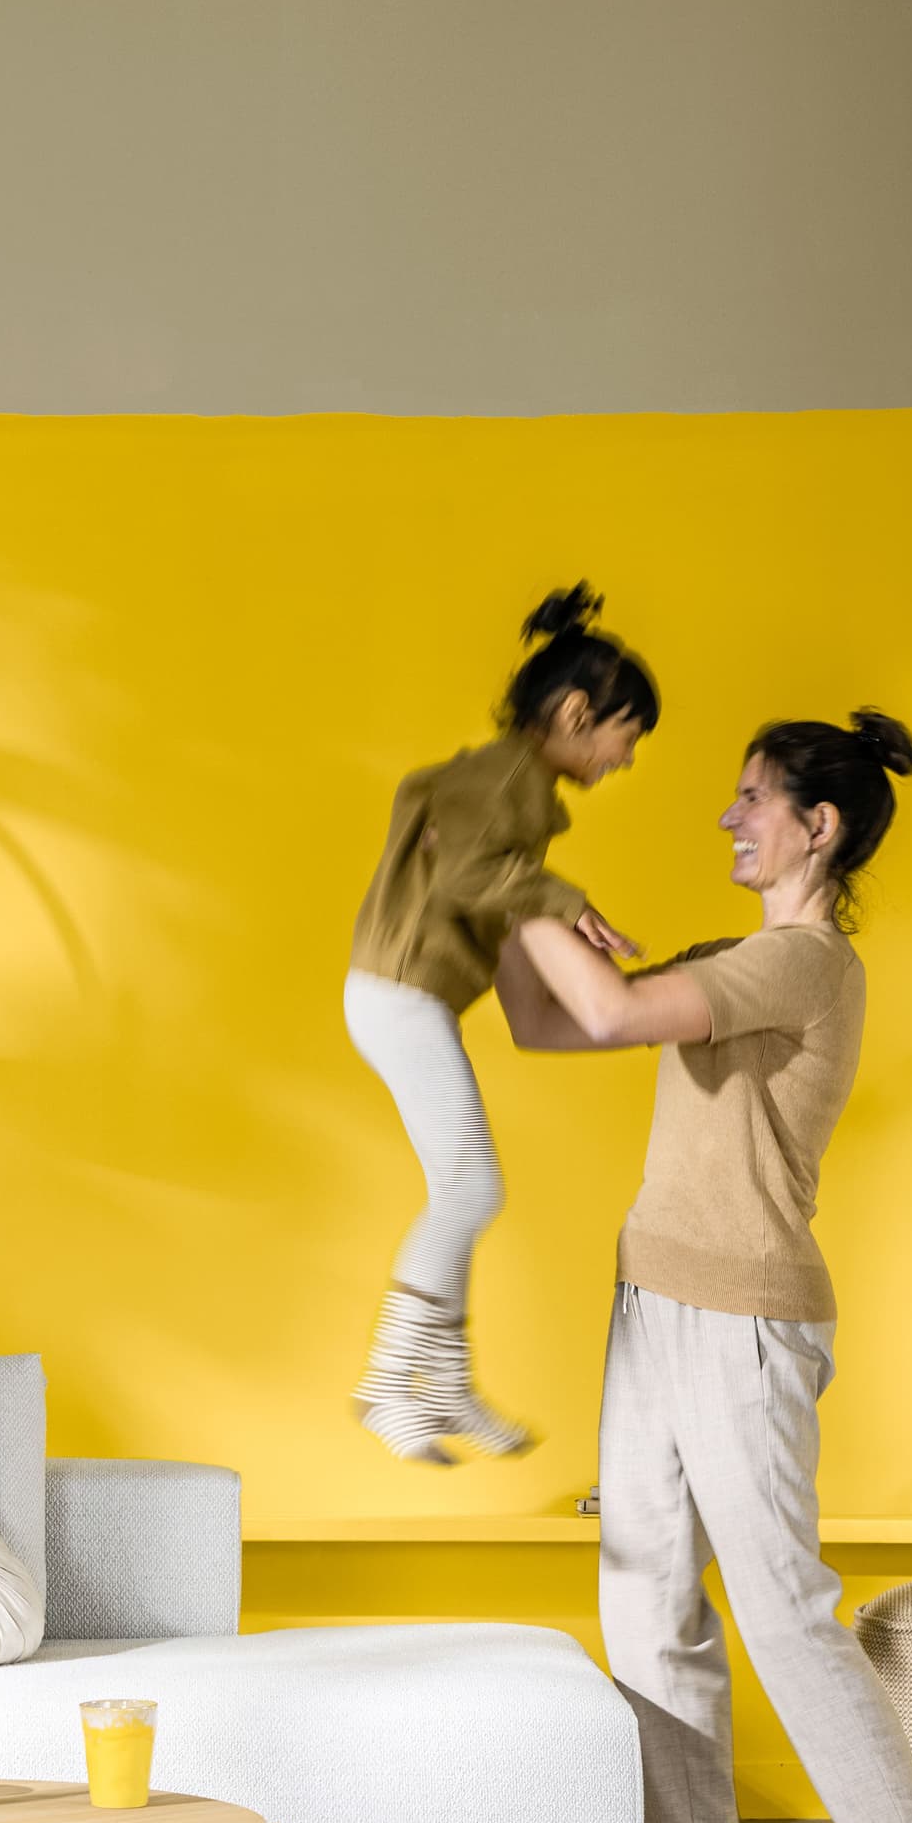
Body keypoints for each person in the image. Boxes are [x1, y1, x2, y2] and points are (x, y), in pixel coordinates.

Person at [497, 710, 912, 1823]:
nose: (728, 816)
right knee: (644, 1601)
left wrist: (523, 881)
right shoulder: (736, 954)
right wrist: (516, 928)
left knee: (780, 1607)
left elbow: (605, 1012)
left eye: (752, 799)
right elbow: (546, 1027)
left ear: (816, 828)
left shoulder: (808, 966)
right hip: (649, 1303)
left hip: (750, 1319)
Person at [341, 585, 657, 1464]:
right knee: (472, 1190)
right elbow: (467, 877)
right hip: (398, 994)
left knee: (464, 1187)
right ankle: (388, 1379)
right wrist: (564, 898)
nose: (627, 760)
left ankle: (443, 1384)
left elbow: (475, 868)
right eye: (627, 738)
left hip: (403, 996)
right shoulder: (509, 779)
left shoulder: (504, 778)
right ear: (576, 714)